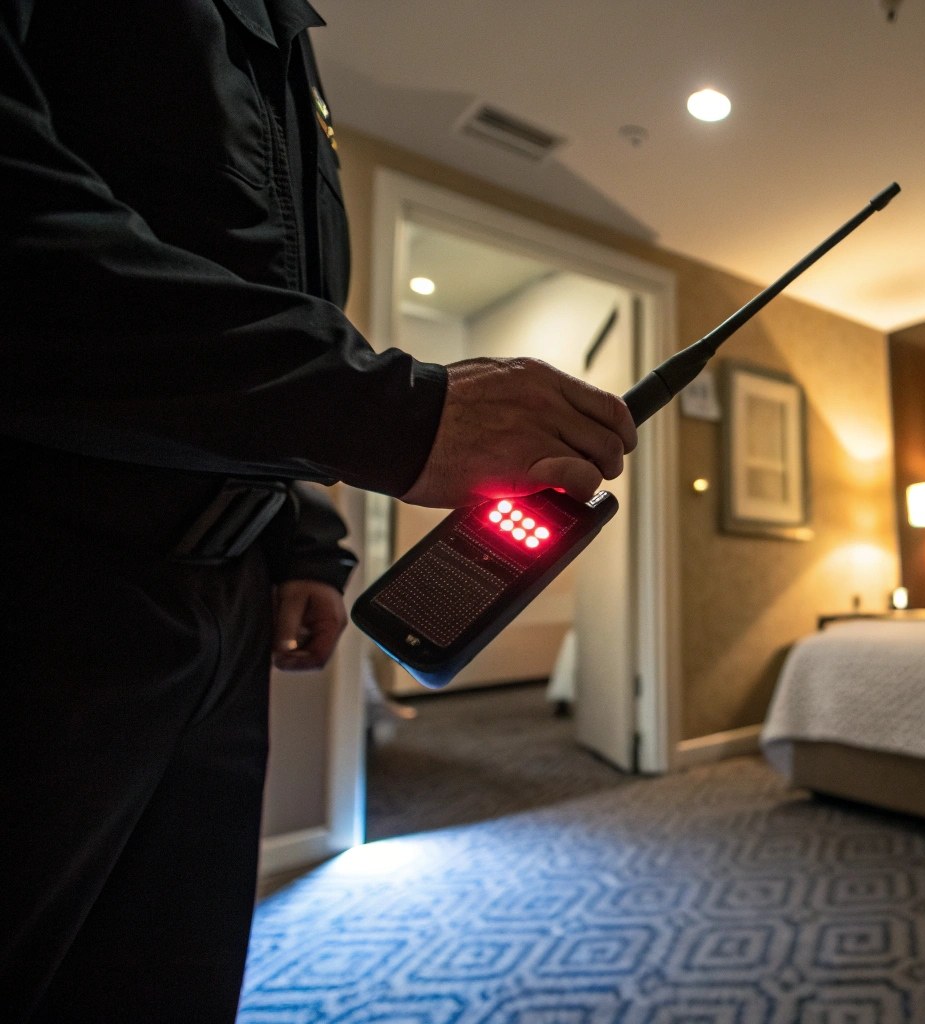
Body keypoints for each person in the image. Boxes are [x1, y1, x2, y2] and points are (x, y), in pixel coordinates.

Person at [0, 1, 638, 1021]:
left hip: (227, 605)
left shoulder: (294, 51)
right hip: (43, 569)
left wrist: (308, 538)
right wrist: (396, 411)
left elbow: (270, 310)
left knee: (170, 972)